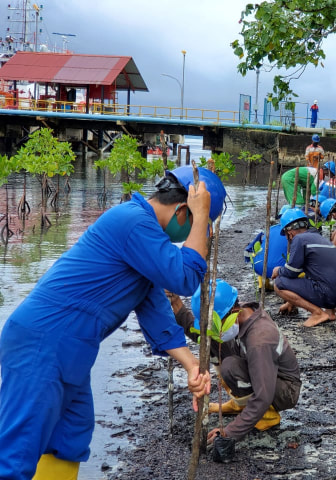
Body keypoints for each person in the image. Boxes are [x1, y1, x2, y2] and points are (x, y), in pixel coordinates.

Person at [0, 166, 225, 479]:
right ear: (183, 211)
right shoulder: (133, 222)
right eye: (198, 226)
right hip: (43, 343)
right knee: (16, 454)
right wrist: (202, 217)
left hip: (67, 351)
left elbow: (157, 316)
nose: (197, 235)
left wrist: (192, 368)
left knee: (69, 437)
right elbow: (185, 277)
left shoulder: (146, 240)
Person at [169, 280, 301, 449]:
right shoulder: (241, 314)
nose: (216, 330)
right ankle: (243, 405)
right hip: (261, 369)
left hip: (284, 389)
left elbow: (263, 395)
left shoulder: (259, 340)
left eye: (218, 325)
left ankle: (267, 416)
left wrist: (229, 433)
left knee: (230, 367)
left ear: (234, 312)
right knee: (216, 346)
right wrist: (177, 304)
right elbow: (206, 335)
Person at [271, 208, 336, 327]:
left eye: (286, 235)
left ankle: (317, 313)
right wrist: (291, 302)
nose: (287, 238)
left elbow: (292, 272)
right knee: (321, 274)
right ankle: (331, 312)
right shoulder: (320, 238)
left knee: (279, 283)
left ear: (289, 232)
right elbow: (313, 271)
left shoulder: (299, 239)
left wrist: (278, 270)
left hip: (332, 294)